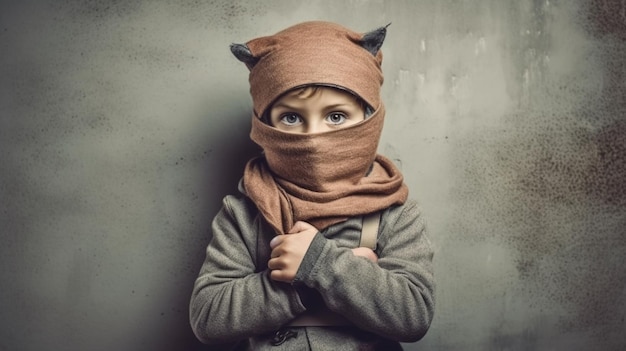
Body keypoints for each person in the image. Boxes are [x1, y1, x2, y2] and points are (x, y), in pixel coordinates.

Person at [189, 21, 435, 350]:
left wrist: (322, 263)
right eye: (291, 118)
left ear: (367, 117)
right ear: (265, 124)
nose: (313, 139)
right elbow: (208, 316)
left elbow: (413, 315)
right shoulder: (244, 213)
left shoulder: (395, 213)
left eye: (336, 116)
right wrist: (300, 283)